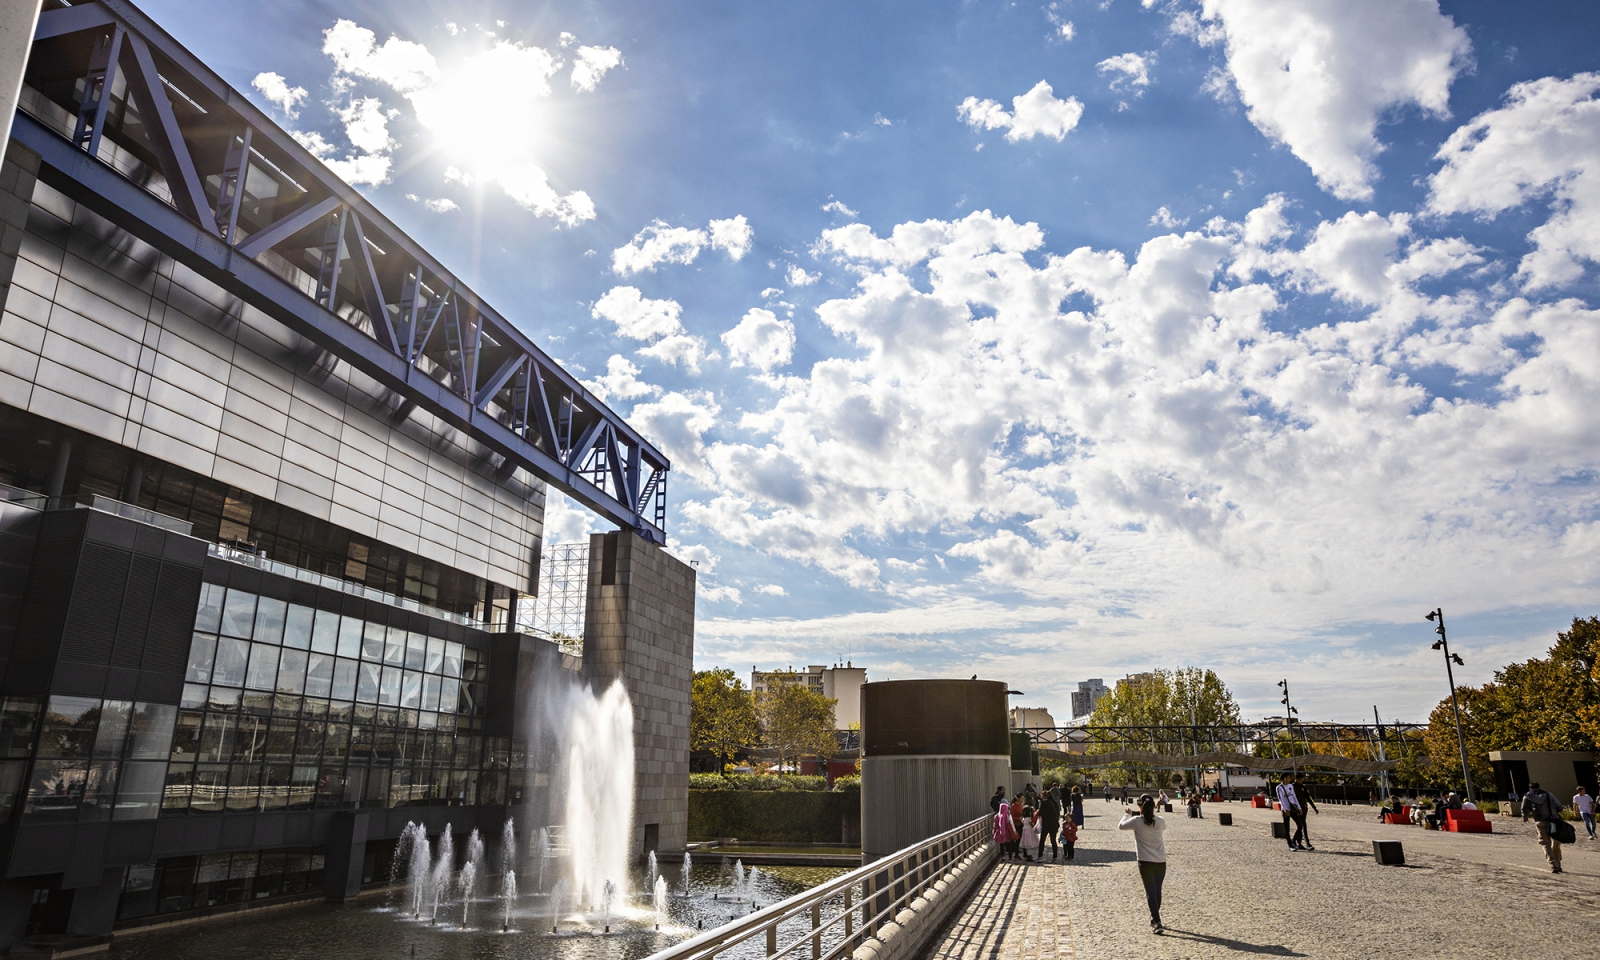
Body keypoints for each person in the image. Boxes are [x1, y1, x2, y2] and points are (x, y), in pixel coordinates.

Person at [1118, 794, 1168, 934]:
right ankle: (1154, 917)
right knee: (1157, 891)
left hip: (1145, 861)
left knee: (1150, 892)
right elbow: (1160, 825)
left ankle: (1157, 922)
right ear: (1153, 806)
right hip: (1160, 860)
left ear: (1140, 806)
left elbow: (1121, 826)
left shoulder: (1136, 821)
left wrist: (1127, 814)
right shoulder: (1160, 821)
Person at [1522, 782, 1565, 873]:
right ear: (1539, 787)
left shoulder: (1528, 796)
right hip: (1553, 822)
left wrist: (1525, 817)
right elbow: (1560, 807)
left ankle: (1553, 864)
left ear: (1530, 789)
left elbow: (1524, 808)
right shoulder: (1549, 794)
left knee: (1545, 844)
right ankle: (1558, 863)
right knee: (1556, 843)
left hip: (1540, 822)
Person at [1275, 774, 1303, 850]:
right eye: (1288, 777)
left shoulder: (1291, 786)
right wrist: (1285, 809)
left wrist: (1299, 807)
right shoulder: (1279, 788)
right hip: (1286, 809)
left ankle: (1294, 840)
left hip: (1293, 808)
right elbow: (1281, 799)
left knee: (1300, 825)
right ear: (1284, 779)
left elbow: (1294, 797)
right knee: (1287, 827)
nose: (1290, 779)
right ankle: (1290, 844)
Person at [1291, 775, 1318, 849]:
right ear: (1295, 779)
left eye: (1301, 780)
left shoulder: (1304, 787)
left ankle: (1300, 843)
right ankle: (1303, 843)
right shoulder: (1292, 787)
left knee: (1302, 826)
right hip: (1296, 809)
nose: (1300, 781)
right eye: (1299, 779)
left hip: (1304, 808)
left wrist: (1314, 807)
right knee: (1301, 826)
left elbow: (1309, 797)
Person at [1040, 788, 1062, 861]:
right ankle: (1055, 856)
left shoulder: (1044, 803)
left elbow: (1040, 813)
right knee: (1053, 840)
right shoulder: (1055, 802)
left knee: (1042, 840)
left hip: (1046, 824)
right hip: (1054, 824)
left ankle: (1040, 856)